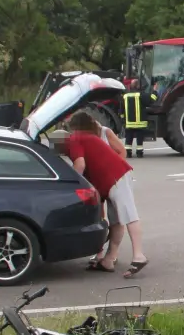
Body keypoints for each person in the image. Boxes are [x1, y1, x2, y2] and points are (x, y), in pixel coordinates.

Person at [65, 112, 149, 278]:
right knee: (117, 221)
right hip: (115, 178)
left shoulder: (75, 138)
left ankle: (139, 256)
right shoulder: (87, 136)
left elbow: (79, 165)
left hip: (115, 177)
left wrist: (73, 185)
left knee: (129, 215)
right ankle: (109, 259)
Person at [121, 86, 156, 158]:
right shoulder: (142, 95)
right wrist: (155, 91)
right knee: (139, 139)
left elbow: (121, 109)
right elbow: (152, 99)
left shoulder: (125, 96)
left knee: (128, 138)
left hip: (129, 123)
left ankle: (128, 153)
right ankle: (139, 153)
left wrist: (123, 119)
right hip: (140, 123)